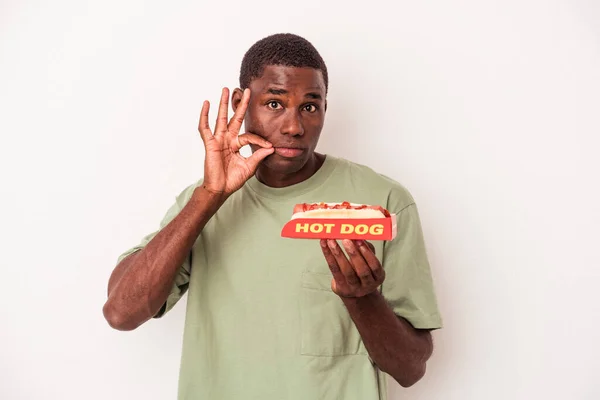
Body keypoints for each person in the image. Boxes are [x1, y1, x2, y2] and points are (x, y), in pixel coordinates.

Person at [102, 33, 443, 400]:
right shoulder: (204, 202)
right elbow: (121, 313)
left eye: (310, 107)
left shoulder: (385, 201)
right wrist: (209, 198)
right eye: (275, 103)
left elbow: (411, 368)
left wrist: (362, 299)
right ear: (240, 103)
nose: (294, 127)